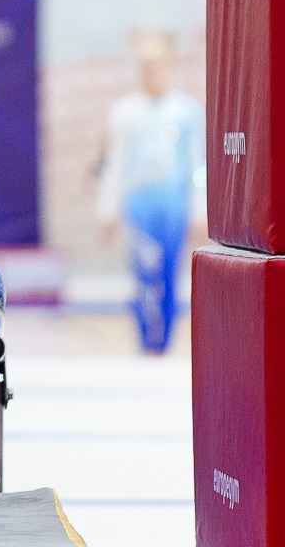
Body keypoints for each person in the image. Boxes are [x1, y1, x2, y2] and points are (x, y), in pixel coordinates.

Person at [97, 32, 206, 355]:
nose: (150, 69)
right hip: (140, 205)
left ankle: (165, 343)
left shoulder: (187, 111)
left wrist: (199, 211)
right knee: (145, 272)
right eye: (144, 63)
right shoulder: (124, 112)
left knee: (170, 275)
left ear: (169, 64)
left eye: (156, 62)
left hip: (173, 204)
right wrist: (107, 209)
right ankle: (146, 340)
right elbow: (114, 164)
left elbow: (196, 163)